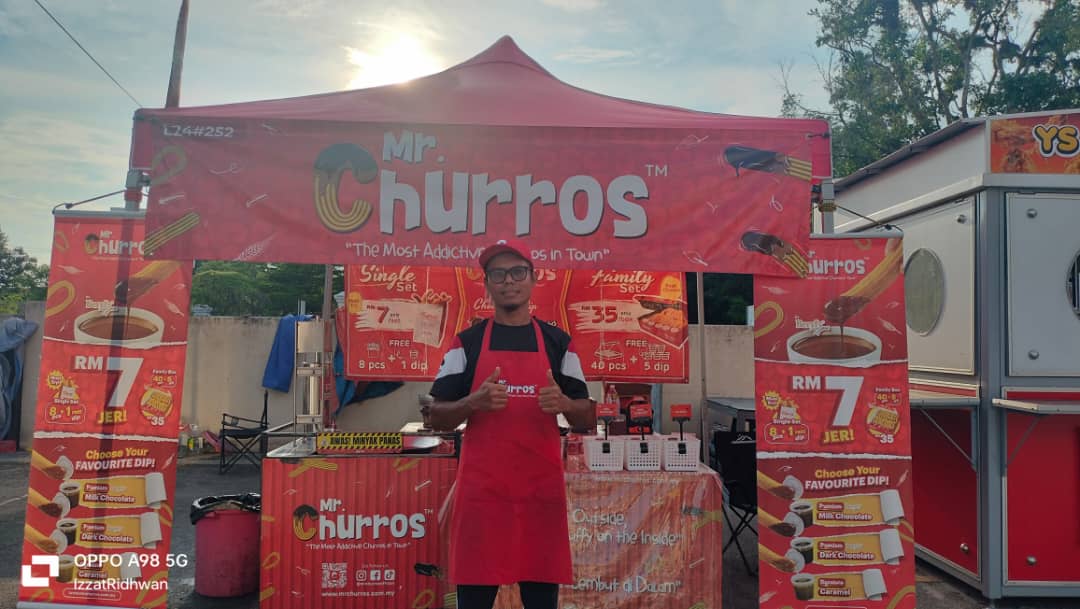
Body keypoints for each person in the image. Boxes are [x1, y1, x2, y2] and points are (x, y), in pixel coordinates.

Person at [429, 239, 592, 609]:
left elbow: (586, 415)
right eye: (498, 274)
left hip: (539, 496)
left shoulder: (559, 343)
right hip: (483, 497)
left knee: (541, 600)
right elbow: (435, 415)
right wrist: (473, 402)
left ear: (533, 278)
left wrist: (565, 404)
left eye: (517, 272)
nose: (508, 281)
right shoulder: (465, 344)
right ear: (486, 283)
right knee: (474, 600)